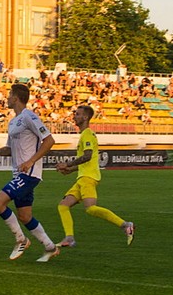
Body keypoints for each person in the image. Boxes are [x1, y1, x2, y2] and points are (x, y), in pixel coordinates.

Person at [0, 83, 59, 262]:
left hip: (29, 174)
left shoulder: (29, 116)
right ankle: (50, 247)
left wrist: (31, 161)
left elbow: (49, 140)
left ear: (16, 98)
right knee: (25, 216)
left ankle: (21, 240)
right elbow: (9, 150)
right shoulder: (13, 122)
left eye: (9, 95)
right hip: (19, 174)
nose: (7, 98)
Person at [55, 105, 135, 247]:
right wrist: (70, 169)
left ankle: (125, 225)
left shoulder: (87, 134)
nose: (74, 116)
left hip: (88, 178)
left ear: (85, 117)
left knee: (90, 208)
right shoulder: (85, 134)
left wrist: (67, 164)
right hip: (82, 178)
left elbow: (87, 156)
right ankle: (69, 238)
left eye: (78, 114)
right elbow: (87, 161)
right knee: (63, 206)